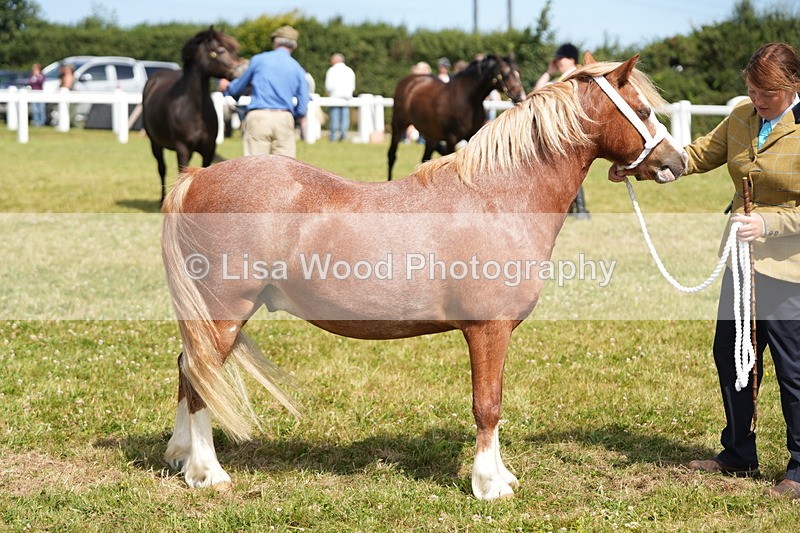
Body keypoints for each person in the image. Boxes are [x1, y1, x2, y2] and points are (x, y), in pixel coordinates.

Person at [609, 42, 800, 499]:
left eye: (767, 93)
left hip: (791, 272)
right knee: (731, 357)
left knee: (793, 369)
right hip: (740, 261)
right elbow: (694, 156)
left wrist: (769, 223)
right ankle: (737, 453)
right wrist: (640, 168)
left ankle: (799, 467)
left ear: (793, 86)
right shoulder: (740, 119)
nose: (757, 100)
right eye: (752, 90)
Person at [220, 25, 309, 158]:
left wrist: (227, 88)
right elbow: (302, 106)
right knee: (284, 171)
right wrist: (292, 116)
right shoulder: (298, 69)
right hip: (284, 118)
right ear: (293, 46)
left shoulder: (258, 60)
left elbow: (237, 88)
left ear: (276, 42)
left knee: (255, 170)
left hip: (259, 117)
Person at [534, 44, 588, 218]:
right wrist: (548, 72)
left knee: (571, 171)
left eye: (560, 59)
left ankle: (580, 209)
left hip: (571, 132)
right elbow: (535, 93)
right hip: (561, 132)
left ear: (571, 59)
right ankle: (575, 209)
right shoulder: (560, 80)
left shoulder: (576, 79)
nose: (557, 63)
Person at [324, 53, 356, 142]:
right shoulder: (349, 70)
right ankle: (343, 135)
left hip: (335, 97)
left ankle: (333, 136)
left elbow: (328, 86)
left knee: (335, 117)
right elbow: (352, 86)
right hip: (346, 98)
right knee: (345, 117)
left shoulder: (332, 70)